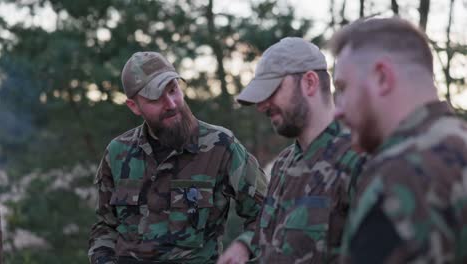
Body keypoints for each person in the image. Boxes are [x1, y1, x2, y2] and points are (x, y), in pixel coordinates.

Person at [88, 51, 268, 264]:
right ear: (134, 106)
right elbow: (105, 227)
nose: (171, 104)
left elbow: (268, 214)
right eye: (156, 98)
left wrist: (244, 246)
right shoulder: (118, 153)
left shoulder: (220, 146)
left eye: (173, 90)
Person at [328, 17, 467, 263]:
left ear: (382, 77)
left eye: (343, 88)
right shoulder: (458, 141)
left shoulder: (400, 172)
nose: (337, 110)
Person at [218, 37, 365, 264]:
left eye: (272, 90)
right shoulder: (284, 164)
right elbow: (272, 241)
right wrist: (245, 245)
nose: (262, 105)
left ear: (309, 82)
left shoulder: (358, 159)